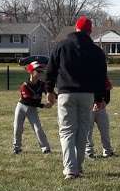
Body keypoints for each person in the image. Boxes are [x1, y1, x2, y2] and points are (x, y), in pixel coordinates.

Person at [45, 16, 108, 180]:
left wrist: (49, 90)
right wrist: (100, 98)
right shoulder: (96, 51)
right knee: (82, 131)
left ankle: (70, 168)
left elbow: (50, 70)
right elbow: (101, 77)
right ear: (90, 31)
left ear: (76, 28)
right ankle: (78, 167)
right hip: (87, 94)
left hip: (65, 94)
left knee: (66, 131)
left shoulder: (62, 45)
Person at [12, 61, 52, 154]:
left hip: (32, 109)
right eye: (38, 71)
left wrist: (54, 97)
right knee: (17, 128)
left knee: (38, 128)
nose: (40, 73)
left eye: (41, 71)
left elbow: (49, 92)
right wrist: (43, 105)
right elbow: (28, 101)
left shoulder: (41, 84)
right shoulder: (24, 85)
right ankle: (16, 148)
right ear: (31, 72)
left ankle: (45, 148)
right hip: (22, 107)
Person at [85, 76, 114, 158]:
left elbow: (107, 93)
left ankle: (107, 150)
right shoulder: (84, 75)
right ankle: (88, 151)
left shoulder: (103, 76)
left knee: (105, 130)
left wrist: (105, 102)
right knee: (87, 131)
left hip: (101, 108)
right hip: (88, 108)